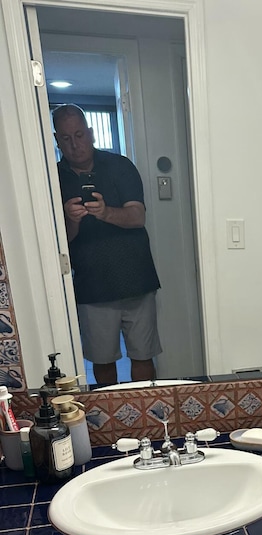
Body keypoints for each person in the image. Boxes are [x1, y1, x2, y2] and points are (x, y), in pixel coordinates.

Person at [52, 104, 162, 386]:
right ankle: (111, 421)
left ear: (90, 133)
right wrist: (72, 220)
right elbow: (58, 243)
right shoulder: (52, 179)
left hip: (136, 278)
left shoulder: (120, 165)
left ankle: (146, 413)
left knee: (143, 355)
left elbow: (138, 217)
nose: (75, 144)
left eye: (79, 134)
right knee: (101, 361)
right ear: (57, 139)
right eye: (66, 138)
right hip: (92, 285)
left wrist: (105, 213)